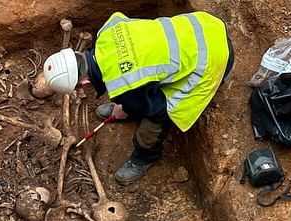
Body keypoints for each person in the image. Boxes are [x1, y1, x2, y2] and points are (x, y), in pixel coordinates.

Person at [43, 11, 235, 184]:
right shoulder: (107, 30)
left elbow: (157, 110)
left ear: (84, 83)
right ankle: (132, 105)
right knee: (140, 90)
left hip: (214, 59)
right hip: (204, 25)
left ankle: (144, 158)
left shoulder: (123, 85)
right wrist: (127, 103)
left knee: (160, 115)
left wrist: (131, 106)